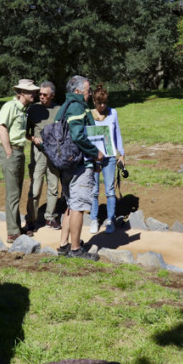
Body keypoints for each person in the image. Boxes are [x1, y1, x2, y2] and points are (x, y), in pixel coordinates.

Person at [57, 75, 103, 260]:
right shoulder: (77, 106)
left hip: (66, 164)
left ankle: (63, 246)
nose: (89, 93)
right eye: (87, 90)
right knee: (78, 207)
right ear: (77, 92)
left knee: (70, 204)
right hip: (80, 165)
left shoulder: (64, 107)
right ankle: (76, 249)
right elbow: (77, 136)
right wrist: (95, 152)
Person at [0, 78, 40, 243]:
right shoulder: (10, 107)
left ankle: (15, 228)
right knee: (13, 193)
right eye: (31, 91)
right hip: (12, 152)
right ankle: (12, 232)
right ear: (22, 92)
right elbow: (2, 127)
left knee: (16, 192)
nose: (34, 94)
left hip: (18, 152)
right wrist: (9, 151)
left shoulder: (23, 110)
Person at [25, 81, 61, 231]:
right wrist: (33, 139)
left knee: (53, 187)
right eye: (40, 94)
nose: (41, 97)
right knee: (35, 188)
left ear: (52, 95)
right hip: (38, 154)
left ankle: (50, 218)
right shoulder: (32, 109)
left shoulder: (59, 110)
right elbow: (25, 132)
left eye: (44, 95)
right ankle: (31, 219)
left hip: (54, 154)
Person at [89, 84, 125, 234]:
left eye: (104, 102)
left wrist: (121, 153)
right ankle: (93, 219)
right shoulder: (88, 115)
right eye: (99, 103)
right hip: (94, 157)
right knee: (94, 190)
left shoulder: (113, 113)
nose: (102, 106)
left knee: (110, 190)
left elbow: (117, 134)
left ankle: (111, 219)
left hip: (109, 156)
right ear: (94, 102)